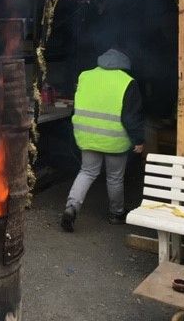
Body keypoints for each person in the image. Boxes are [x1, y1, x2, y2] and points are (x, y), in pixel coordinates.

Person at [61, 47, 144, 232]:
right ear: (124, 66)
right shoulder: (127, 82)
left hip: (88, 135)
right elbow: (131, 116)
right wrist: (138, 140)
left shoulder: (85, 76)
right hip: (115, 140)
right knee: (114, 178)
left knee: (87, 172)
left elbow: (78, 104)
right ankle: (116, 214)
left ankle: (71, 207)